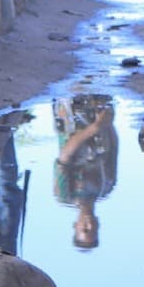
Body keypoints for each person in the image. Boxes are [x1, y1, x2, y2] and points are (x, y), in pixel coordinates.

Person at [54, 93, 117, 249]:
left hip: (70, 113)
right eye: (92, 230)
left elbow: (65, 156)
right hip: (99, 114)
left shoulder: (65, 195)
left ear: (75, 225)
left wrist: (94, 128)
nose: (89, 225)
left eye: (84, 229)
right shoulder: (106, 187)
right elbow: (113, 150)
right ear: (98, 225)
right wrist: (108, 123)